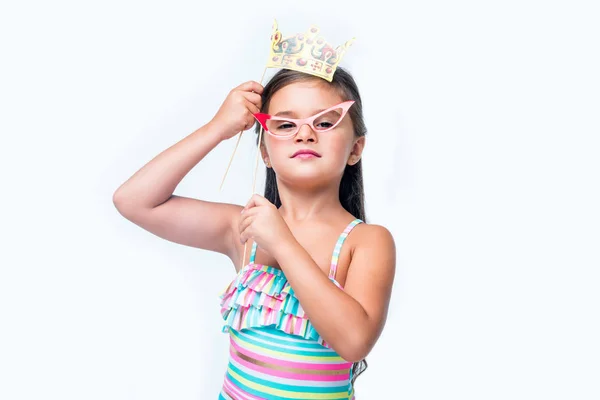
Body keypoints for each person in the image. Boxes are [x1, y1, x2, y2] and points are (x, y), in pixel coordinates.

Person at [113, 66, 396, 399]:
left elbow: (354, 343)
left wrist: (282, 242)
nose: (305, 134)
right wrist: (217, 128)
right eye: (286, 125)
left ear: (355, 148)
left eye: (324, 122)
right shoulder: (244, 230)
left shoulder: (366, 242)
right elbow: (133, 201)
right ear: (265, 152)